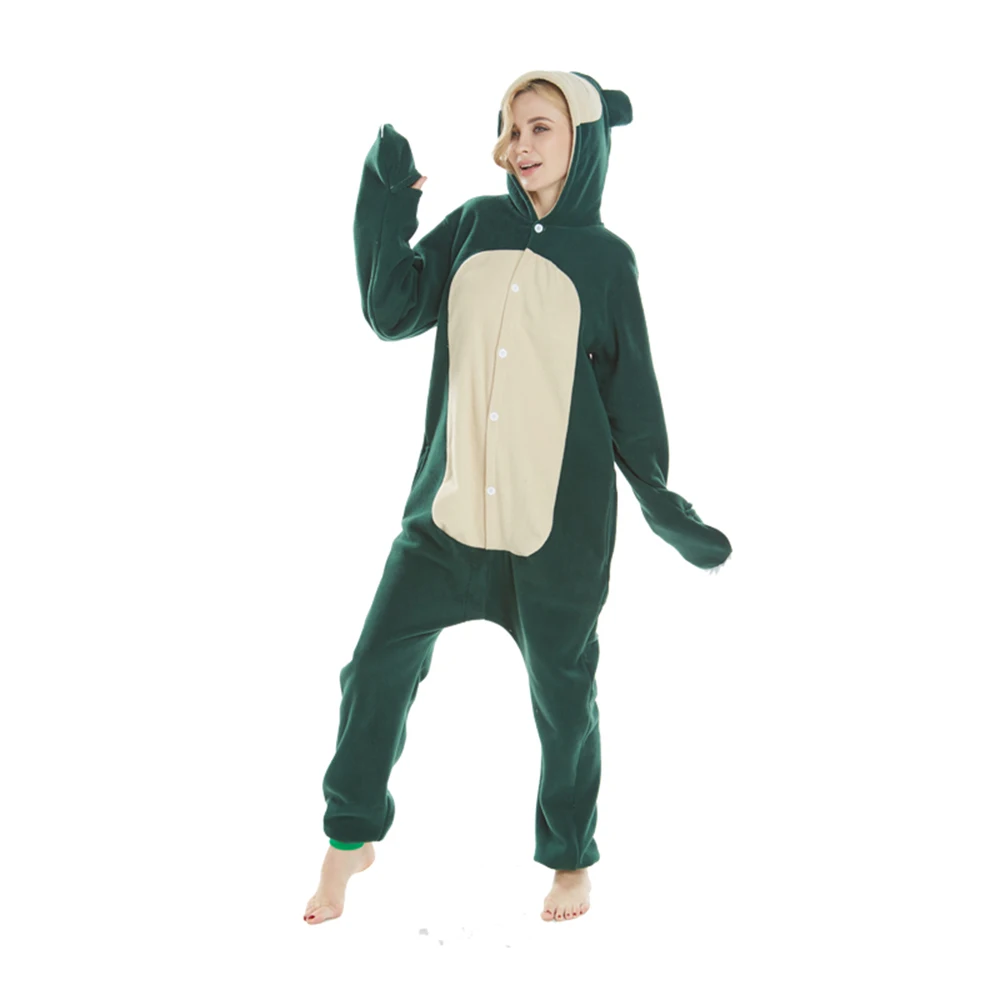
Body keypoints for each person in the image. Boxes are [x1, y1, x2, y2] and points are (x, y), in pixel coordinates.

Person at [304, 69, 732, 926]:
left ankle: (570, 858)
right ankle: (350, 836)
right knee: (375, 664)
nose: (521, 145)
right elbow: (392, 311)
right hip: (448, 516)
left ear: (583, 140)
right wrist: (388, 203)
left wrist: (665, 505)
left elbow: (632, 398)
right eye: (511, 126)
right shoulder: (474, 225)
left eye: (541, 128)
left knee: (565, 699)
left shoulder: (606, 262)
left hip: (557, 530)